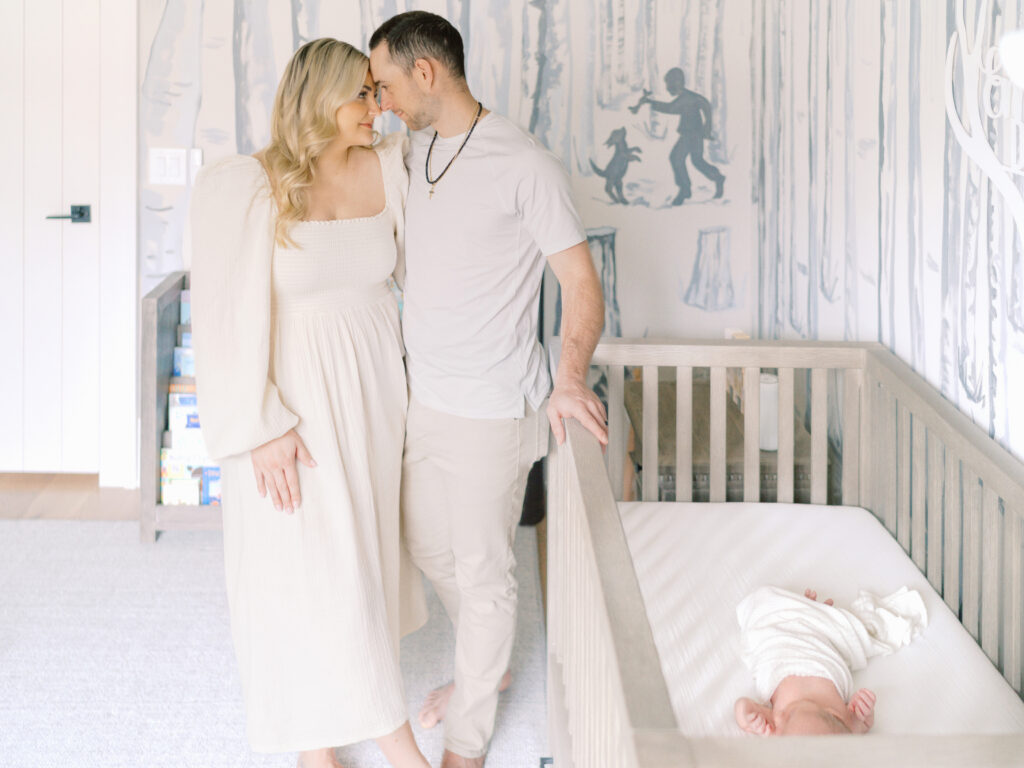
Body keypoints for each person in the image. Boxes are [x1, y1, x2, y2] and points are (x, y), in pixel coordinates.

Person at [369, 11, 608, 768]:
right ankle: (487, 656)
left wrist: (568, 377)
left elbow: (580, 282)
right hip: (422, 402)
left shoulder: (523, 164)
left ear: (426, 72)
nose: (380, 99)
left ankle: (467, 745)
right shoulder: (412, 151)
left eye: (385, 83)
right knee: (419, 546)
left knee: (484, 574)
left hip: (493, 413)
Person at [187, 38, 429, 768]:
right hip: (292, 397)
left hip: (375, 390)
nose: (376, 107)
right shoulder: (249, 187)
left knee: (362, 559)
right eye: (361, 93)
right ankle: (358, 744)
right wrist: (262, 426)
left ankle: (325, 735)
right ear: (318, 97)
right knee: (298, 570)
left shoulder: (390, 169)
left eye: (377, 92)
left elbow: (425, 275)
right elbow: (224, 318)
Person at [734, 586, 928, 736]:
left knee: (767, 616)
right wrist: (864, 711)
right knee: (827, 634)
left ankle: (807, 615)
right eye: (831, 714)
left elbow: (744, 707)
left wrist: (747, 717)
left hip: (785, 657)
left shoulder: (777, 730)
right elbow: (864, 724)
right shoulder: (846, 728)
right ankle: (813, 617)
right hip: (822, 659)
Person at [634, 67, 725, 204]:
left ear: (676, 82)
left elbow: (671, 108)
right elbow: (705, 105)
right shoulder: (688, 97)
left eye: (668, 84)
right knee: (695, 161)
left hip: (692, 135)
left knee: (678, 159)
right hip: (692, 135)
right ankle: (713, 179)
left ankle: (686, 189)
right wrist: (706, 128)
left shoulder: (687, 98)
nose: (667, 88)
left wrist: (650, 102)